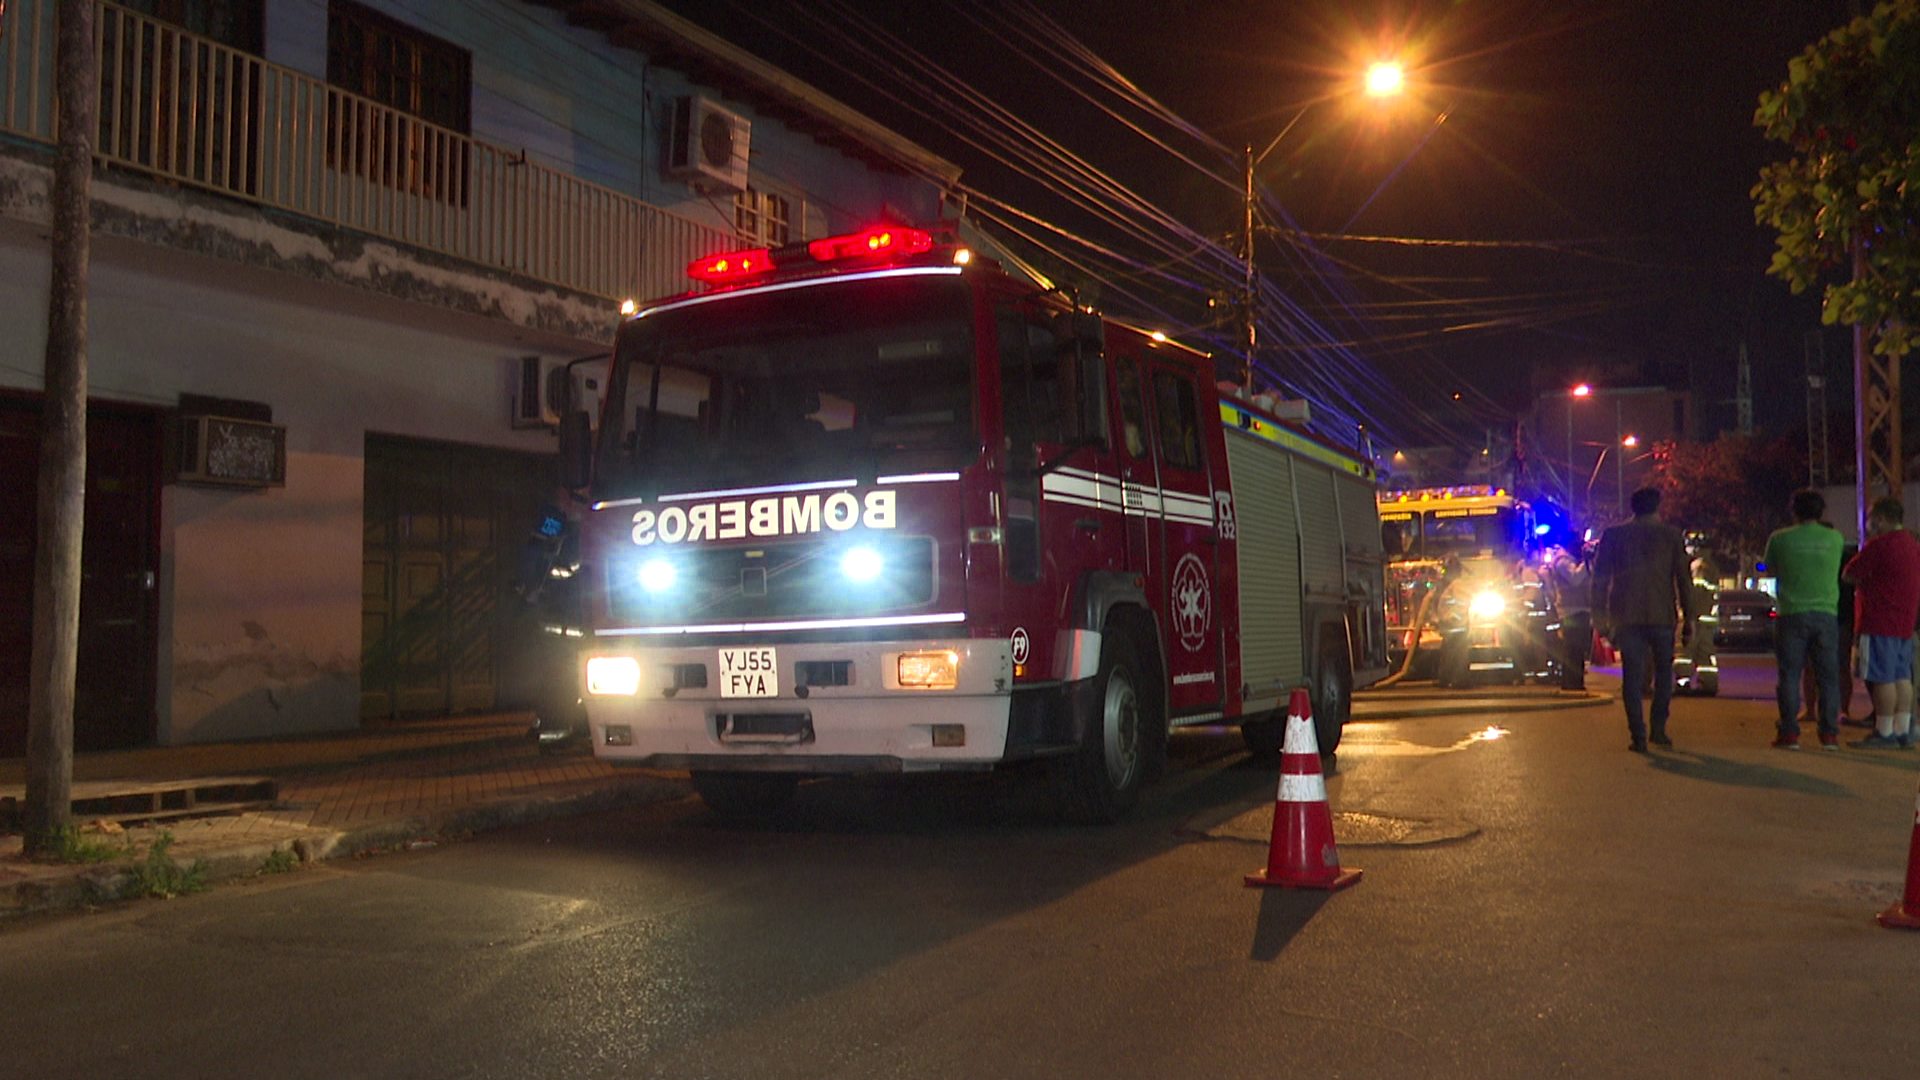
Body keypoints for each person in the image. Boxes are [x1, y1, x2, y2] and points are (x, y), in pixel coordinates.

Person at [1592, 487, 1695, 753]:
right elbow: (1684, 579)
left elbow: (1600, 579)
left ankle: (1637, 734)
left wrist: (1599, 616)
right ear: (1657, 506)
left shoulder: (1614, 535)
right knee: (1663, 675)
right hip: (1662, 615)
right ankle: (1658, 730)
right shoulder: (1671, 536)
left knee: (1632, 677)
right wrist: (1690, 617)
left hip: (1627, 615)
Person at [1762, 490, 1846, 749]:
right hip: (1826, 614)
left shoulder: (1779, 538)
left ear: (1793, 511)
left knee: (1788, 675)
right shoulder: (1835, 538)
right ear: (1821, 512)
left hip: (1791, 613)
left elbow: (1770, 568)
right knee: (1828, 677)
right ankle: (1829, 733)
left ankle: (1789, 733)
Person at [1843, 497, 1920, 749]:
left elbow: (1850, 574)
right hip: (1904, 622)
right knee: (1902, 677)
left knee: (1881, 678)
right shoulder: (1911, 543)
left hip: (1878, 621)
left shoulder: (1880, 545)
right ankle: (1904, 729)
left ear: (1881, 518)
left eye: (1870, 517)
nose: (1868, 523)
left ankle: (1884, 731)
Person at [1548, 543, 1594, 691]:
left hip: (1579, 608)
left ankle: (1576, 683)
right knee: (1573, 648)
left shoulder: (1570, 561)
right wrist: (1586, 562)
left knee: (1578, 649)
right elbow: (1575, 578)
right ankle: (1571, 683)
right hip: (1571, 610)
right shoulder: (1562, 562)